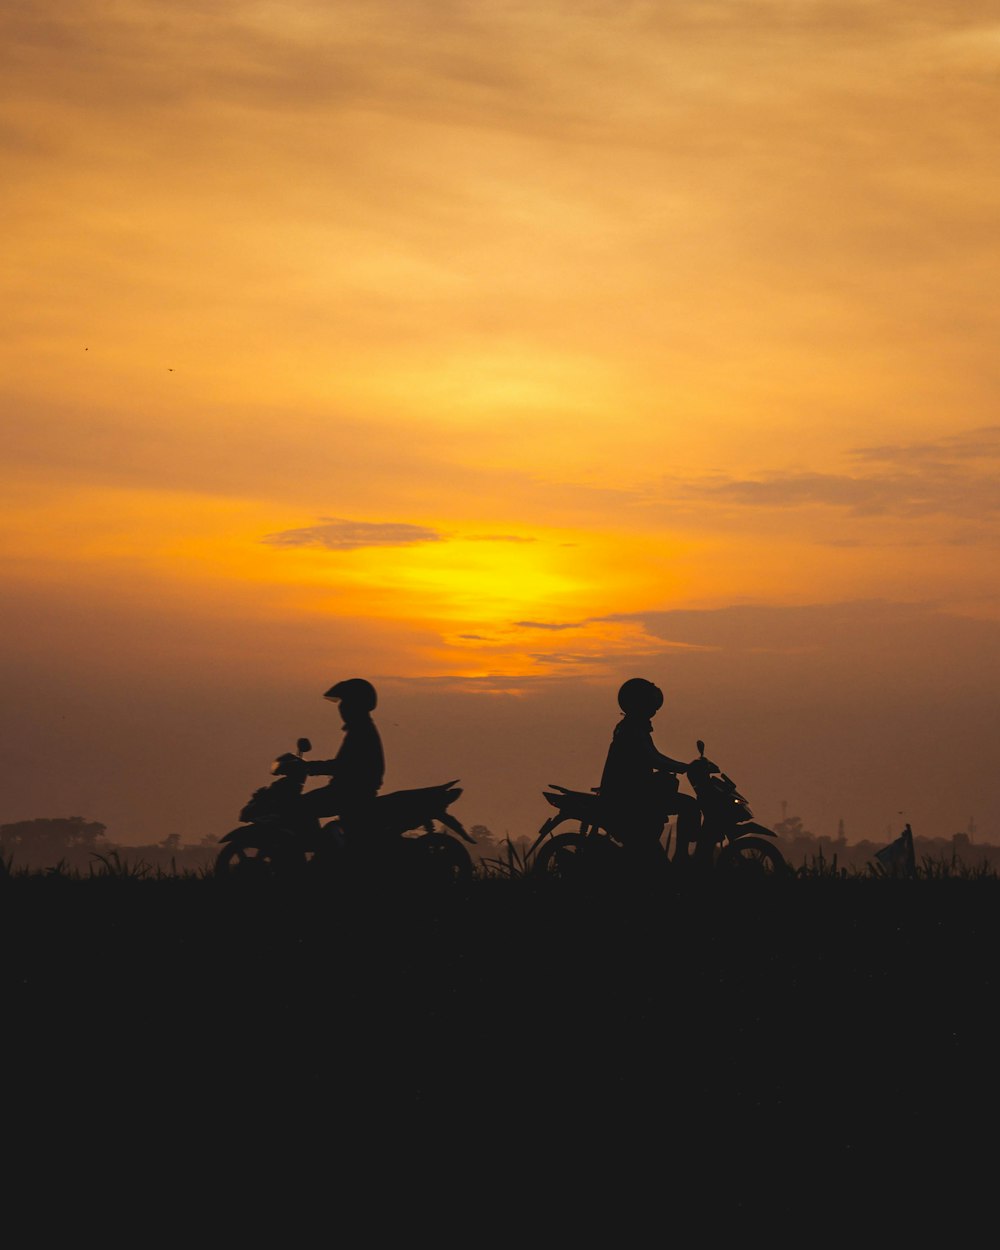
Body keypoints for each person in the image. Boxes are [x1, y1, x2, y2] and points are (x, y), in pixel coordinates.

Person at [598, 677, 711, 869]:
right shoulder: (631, 730)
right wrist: (684, 768)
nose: (654, 708)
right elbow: (653, 759)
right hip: (630, 796)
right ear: (639, 703)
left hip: (636, 792)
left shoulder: (635, 727)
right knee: (689, 805)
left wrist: (684, 766)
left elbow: (654, 756)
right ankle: (681, 857)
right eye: (649, 703)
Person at [299, 678, 385, 830]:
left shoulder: (361, 731)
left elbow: (345, 765)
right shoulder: (359, 729)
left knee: (302, 807)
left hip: (351, 792)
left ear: (356, 705)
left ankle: (320, 848)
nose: (342, 708)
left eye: (346, 703)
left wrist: (311, 768)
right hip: (350, 789)